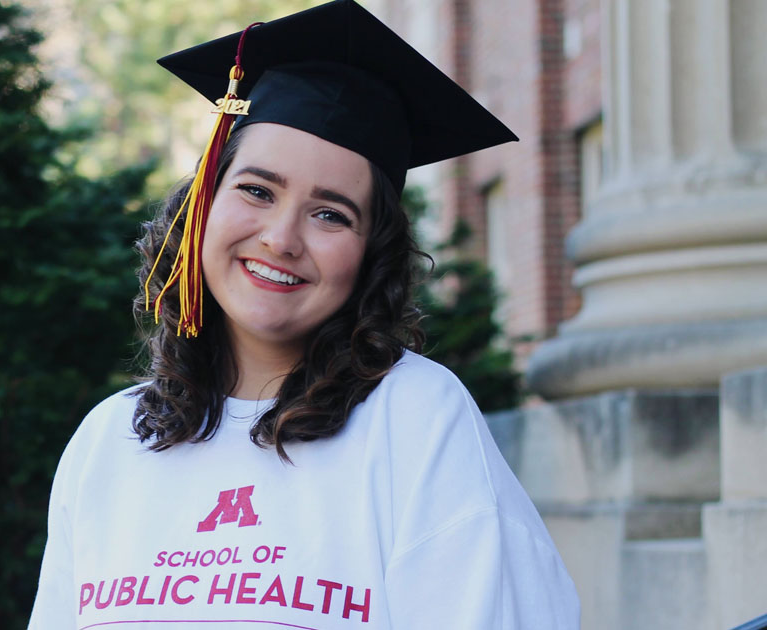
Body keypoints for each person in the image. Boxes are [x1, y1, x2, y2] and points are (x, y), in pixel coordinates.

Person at [29, 1, 581, 628]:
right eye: (257, 191)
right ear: (204, 203)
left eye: (331, 214)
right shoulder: (110, 441)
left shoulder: (416, 420)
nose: (281, 238)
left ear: (372, 254)